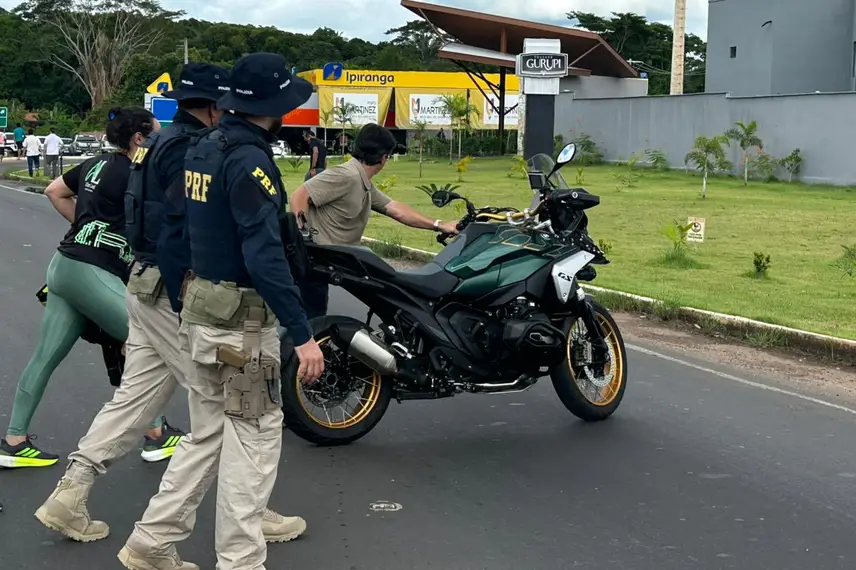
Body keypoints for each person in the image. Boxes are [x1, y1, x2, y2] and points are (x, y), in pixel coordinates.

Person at [34, 62, 305, 548]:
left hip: (143, 282)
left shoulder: (158, 143)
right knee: (232, 415)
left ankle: (72, 490)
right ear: (213, 106)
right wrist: (191, 300)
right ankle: (239, 518)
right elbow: (187, 230)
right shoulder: (195, 150)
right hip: (178, 291)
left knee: (136, 399)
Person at [118, 53, 325, 570]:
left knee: (207, 433)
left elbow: (175, 234)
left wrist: (183, 300)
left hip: (201, 310)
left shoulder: (203, 148)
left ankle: (152, 540)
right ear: (275, 106)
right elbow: (264, 253)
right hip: (244, 325)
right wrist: (302, 333)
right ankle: (241, 561)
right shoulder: (249, 160)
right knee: (254, 440)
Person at [0, 108, 166, 468]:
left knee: (45, 357)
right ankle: (154, 434)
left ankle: (14, 441)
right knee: (147, 341)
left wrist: (88, 228)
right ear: (138, 138)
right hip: (93, 271)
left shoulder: (94, 164)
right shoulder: (139, 173)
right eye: (156, 134)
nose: (160, 141)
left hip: (63, 266)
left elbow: (54, 190)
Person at [288, 122, 460, 318]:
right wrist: (303, 236)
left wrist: (438, 225)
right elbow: (299, 196)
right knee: (308, 324)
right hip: (310, 262)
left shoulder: (362, 181)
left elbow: (395, 209)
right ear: (384, 157)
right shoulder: (347, 175)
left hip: (327, 263)